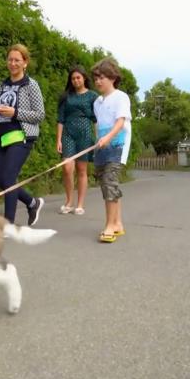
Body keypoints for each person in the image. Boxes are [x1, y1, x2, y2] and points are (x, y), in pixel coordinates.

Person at [0, 44, 46, 226]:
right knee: (2, 181)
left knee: (9, 179)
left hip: (22, 136)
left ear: (25, 63)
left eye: (17, 60)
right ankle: (32, 203)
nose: (13, 63)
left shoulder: (31, 85)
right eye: (10, 59)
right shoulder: (2, 86)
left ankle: (7, 224)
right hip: (3, 138)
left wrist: (15, 112)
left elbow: (40, 114)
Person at [91, 57, 132, 243]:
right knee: (108, 184)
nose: (98, 81)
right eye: (96, 78)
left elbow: (120, 121)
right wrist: (98, 139)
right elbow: (98, 125)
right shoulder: (97, 102)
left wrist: (108, 138)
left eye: (102, 78)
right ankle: (118, 223)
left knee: (109, 182)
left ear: (113, 78)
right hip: (101, 147)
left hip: (117, 145)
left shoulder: (121, 97)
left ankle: (110, 225)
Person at [56, 66, 98, 215]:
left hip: (85, 134)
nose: (75, 80)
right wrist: (58, 139)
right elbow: (60, 119)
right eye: (73, 78)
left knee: (82, 169)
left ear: (84, 78)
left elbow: (96, 119)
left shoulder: (93, 96)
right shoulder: (66, 96)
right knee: (67, 168)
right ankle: (69, 201)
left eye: (78, 77)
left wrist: (98, 138)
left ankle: (80, 204)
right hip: (68, 133)